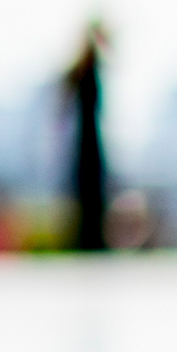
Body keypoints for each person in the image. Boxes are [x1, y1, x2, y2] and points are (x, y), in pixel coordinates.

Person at [63, 21, 110, 253]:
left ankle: (92, 239)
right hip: (84, 141)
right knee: (88, 191)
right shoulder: (82, 69)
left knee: (94, 192)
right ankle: (87, 240)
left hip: (90, 140)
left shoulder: (91, 66)